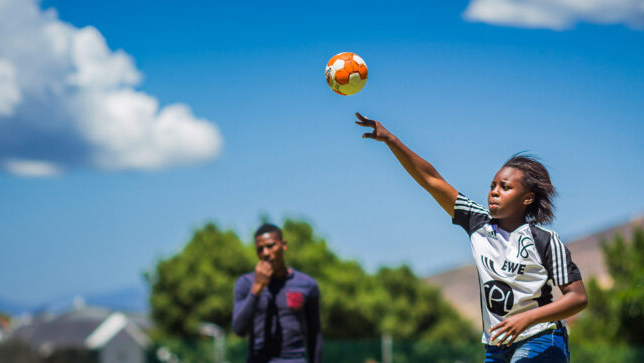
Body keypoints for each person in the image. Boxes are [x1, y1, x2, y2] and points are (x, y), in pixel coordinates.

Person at [355, 112, 588, 362]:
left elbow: (578, 298)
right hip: (497, 345)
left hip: (541, 337)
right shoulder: (477, 223)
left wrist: (527, 318)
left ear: (527, 198)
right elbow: (432, 180)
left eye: (505, 187)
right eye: (493, 186)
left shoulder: (545, 240)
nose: (494, 192)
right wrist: (391, 139)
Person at [232, 223, 322, 363]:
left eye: (270, 246)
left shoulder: (306, 284)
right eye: (260, 249)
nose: (266, 253)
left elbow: (315, 333)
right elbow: (239, 329)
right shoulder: (246, 283)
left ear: (283, 245)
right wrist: (257, 289)